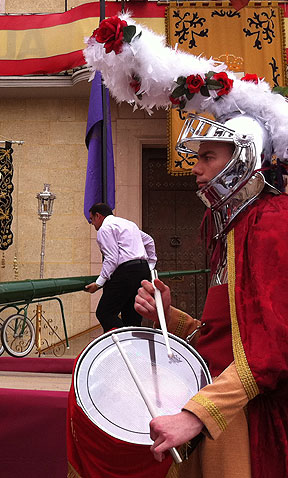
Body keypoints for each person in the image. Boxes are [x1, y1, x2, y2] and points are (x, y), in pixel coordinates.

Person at [134, 113, 288, 478]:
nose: (196, 169)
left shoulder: (272, 221)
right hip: (214, 403)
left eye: (208, 157)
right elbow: (224, 337)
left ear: (241, 160)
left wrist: (194, 416)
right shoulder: (235, 228)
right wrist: (167, 316)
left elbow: (273, 348)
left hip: (243, 417)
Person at [84, 202, 157, 331]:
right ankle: (133, 348)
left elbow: (112, 258)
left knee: (104, 313)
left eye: (92, 219)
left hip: (126, 272)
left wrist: (98, 283)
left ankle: (124, 345)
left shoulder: (104, 229)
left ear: (98, 216)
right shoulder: (129, 224)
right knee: (132, 317)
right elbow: (149, 241)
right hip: (143, 271)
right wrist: (150, 266)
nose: (92, 223)